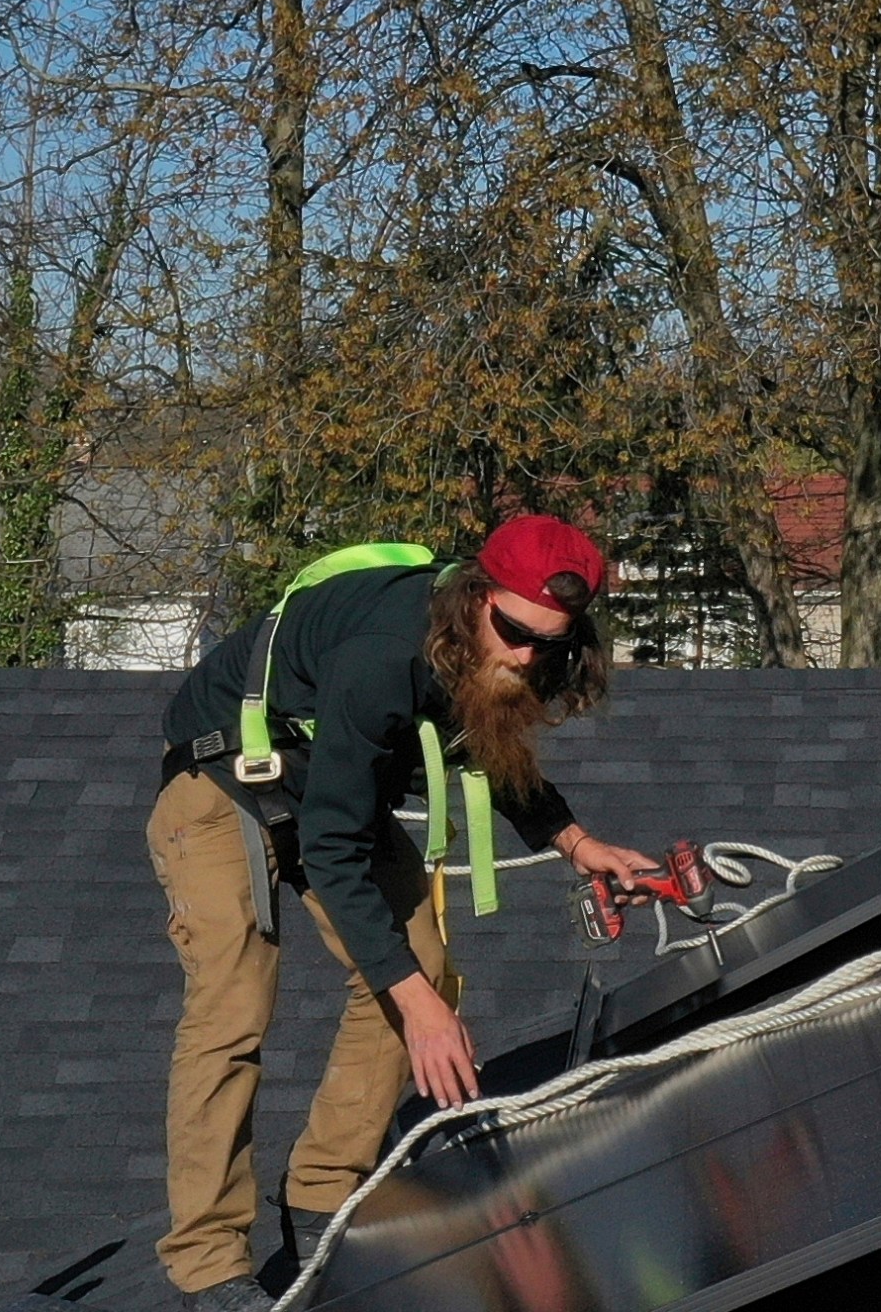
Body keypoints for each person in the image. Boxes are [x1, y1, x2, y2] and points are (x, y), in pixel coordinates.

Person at [147, 516, 658, 1311]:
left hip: (331, 785)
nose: (527, 657)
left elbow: (489, 750)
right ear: (476, 597)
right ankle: (207, 1261)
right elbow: (334, 846)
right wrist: (416, 1006)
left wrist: (575, 840)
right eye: (516, 633)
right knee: (232, 1009)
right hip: (221, 778)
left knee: (422, 969)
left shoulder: (512, 652)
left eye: (548, 644)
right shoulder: (387, 653)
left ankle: (323, 1193)